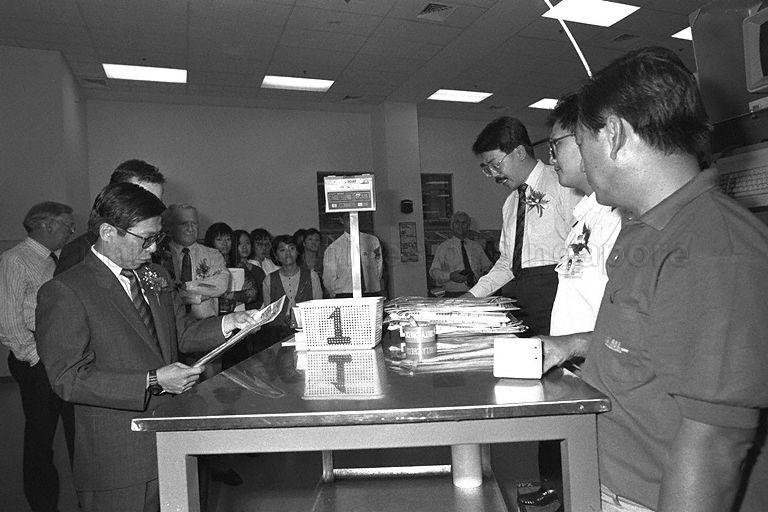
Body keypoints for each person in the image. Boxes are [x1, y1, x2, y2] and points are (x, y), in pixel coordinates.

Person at [541, 46, 768, 512]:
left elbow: (714, 443)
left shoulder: (711, 249)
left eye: (582, 144)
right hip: (603, 477)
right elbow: (652, 338)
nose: (581, 161)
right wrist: (575, 344)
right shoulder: (647, 226)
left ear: (616, 136)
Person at [35, 183, 263, 512]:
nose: (155, 249)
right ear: (108, 232)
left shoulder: (154, 276)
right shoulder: (67, 290)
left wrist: (231, 324)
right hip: (119, 458)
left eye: (159, 238)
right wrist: (151, 380)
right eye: (147, 238)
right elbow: (67, 378)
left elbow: (180, 333)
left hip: (173, 440)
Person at [519, 93, 623, 512]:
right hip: (577, 362)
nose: (553, 157)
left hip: (602, 367)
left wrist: (568, 346)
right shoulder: (586, 214)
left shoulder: (617, 218)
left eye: (557, 144)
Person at [466, 116, 581, 335]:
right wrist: (471, 297)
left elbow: (581, 250)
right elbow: (507, 262)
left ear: (519, 153)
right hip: (524, 302)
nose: (493, 175)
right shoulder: (511, 203)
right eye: (487, 168)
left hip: (559, 297)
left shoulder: (562, 184)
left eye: (495, 165)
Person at [0, 201, 75, 512]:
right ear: (47, 226)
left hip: (61, 358)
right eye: (67, 226)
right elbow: (9, 321)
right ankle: (43, 504)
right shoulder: (15, 261)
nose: (72, 231)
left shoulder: (57, 260)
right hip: (37, 362)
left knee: (75, 429)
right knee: (40, 438)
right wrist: (38, 358)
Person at [56, 159, 165, 275]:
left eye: (156, 202)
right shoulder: (78, 252)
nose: (152, 208)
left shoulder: (155, 241)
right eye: (142, 200)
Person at [160, 204, 229, 320]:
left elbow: (221, 285)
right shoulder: (160, 255)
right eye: (184, 224)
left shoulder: (213, 255)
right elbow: (165, 294)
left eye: (194, 223)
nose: (190, 228)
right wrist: (199, 296)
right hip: (170, 323)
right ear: (170, 227)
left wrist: (185, 286)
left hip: (205, 323)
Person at [429, 211, 492, 297]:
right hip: (453, 295)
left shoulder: (476, 247)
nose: (460, 226)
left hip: (476, 294)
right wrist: (450, 276)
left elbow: (488, 267)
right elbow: (434, 272)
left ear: (468, 226)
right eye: (457, 222)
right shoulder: (443, 248)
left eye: (464, 223)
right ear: (452, 226)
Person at [323, 216, 384, 298]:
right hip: (345, 294)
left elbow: (378, 267)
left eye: (355, 217)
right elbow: (329, 277)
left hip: (371, 293)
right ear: (342, 220)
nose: (352, 220)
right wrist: (336, 293)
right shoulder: (334, 248)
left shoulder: (372, 241)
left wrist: (374, 284)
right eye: (348, 218)